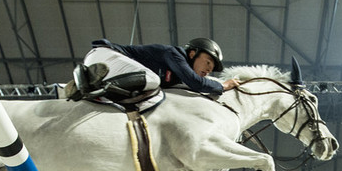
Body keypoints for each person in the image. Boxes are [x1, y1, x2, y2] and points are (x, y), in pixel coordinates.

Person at [65, 37, 240, 103]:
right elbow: (195, 83)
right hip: (106, 57)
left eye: (212, 68)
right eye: (208, 62)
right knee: (153, 80)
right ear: (193, 53)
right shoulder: (174, 53)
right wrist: (223, 86)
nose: (209, 69)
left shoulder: (177, 77)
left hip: (110, 66)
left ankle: (90, 87)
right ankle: (88, 84)